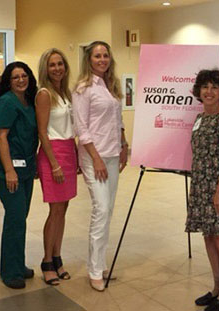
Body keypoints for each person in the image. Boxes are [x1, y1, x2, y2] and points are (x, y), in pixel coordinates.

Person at [72, 41, 128, 292]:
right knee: (101, 209)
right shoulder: (83, 88)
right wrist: (94, 158)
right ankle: (94, 270)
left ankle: (100, 263)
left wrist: (124, 144)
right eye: (97, 56)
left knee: (108, 211)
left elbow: (118, 119)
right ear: (89, 60)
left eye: (106, 55)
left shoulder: (111, 85)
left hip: (113, 154)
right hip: (94, 156)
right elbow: (81, 128)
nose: (102, 59)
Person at [186, 69, 219, 311]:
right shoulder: (200, 118)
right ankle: (216, 287)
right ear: (199, 90)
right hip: (201, 185)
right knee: (208, 237)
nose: (209, 91)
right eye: (205, 87)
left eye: (214, 87)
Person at [0, 61, 38, 289]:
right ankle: (10, 272)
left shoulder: (28, 101)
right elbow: (0, 137)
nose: (20, 80)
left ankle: (17, 263)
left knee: (20, 218)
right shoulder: (7, 102)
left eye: (24, 75)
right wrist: (9, 170)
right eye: (15, 77)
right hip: (5, 169)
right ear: (8, 80)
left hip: (25, 168)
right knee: (15, 217)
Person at [36, 48, 76, 286]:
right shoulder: (44, 94)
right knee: (55, 210)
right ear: (45, 68)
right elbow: (42, 131)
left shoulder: (66, 93)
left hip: (69, 151)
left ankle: (58, 256)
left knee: (64, 209)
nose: (57, 68)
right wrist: (54, 164)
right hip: (54, 154)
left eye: (60, 63)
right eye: (52, 64)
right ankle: (47, 261)